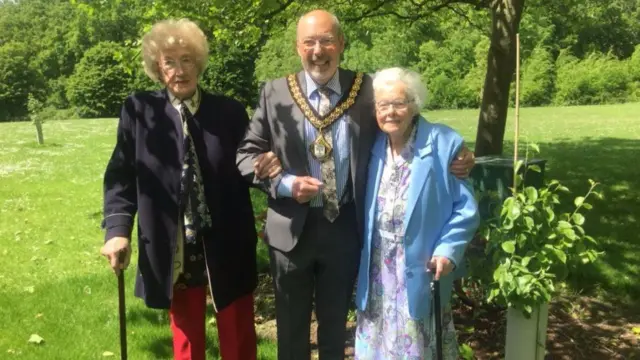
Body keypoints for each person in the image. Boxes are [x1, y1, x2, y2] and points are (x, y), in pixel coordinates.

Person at [236, 10, 476, 360]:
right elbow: (246, 154)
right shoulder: (275, 93)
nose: (318, 51)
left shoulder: (365, 89)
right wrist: (283, 183)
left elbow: (404, 112)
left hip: (345, 228)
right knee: (290, 329)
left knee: (336, 326)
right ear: (297, 47)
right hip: (290, 230)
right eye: (309, 42)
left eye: (327, 40)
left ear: (342, 44)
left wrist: (455, 150)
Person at [99, 18, 279, 360]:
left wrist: (267, 173)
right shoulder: (140, 111)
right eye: (169, 61)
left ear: (199, 63)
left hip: (228, 235)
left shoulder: (228, 111)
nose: (180, 70)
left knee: (238, 328)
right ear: (157, 67)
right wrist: (117, 230)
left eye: (187, 60)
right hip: (174, 241)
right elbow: (121, 175)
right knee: (185, 333)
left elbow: (250, 166)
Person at [353, 67, 480, 359]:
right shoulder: (372, 145)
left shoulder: (443, 143)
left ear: (415, 105)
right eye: (383, 105)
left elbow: (466, 208)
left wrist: (448, 251)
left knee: (418, 345)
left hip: (421, 267)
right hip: (377, 270)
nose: (391, 112)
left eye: (399, 103)